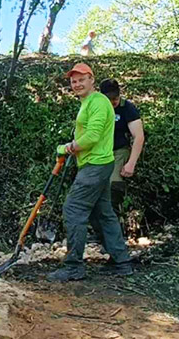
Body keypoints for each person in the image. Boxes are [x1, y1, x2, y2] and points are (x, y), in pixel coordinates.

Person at [49, 63, 133, 282]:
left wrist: (69, 147)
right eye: (73, 81)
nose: (77, 84)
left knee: (73, 209)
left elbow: (93, 136)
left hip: (95, 165)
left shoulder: (97, 102)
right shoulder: (90, 102)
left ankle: (73, 266)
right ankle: (121, 262)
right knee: (103, 212)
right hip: (97, 164)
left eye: (81, 80)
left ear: (91, 80)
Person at [98, 78, 145, 215]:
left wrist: (131, 163)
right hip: (98, 151)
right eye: (109, 99)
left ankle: (113, 215)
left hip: (119, 150)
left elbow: (139, 136)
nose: (113, 102)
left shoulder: (127, 108)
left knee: (114, 183)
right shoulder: (96, 107)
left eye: (115, 98)